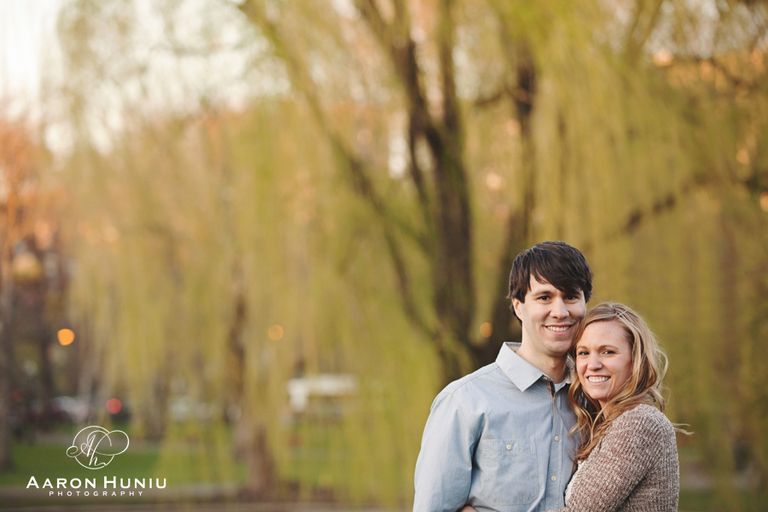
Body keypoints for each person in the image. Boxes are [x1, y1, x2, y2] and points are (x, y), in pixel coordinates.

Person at [413, 241, 593, 512]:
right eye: (544, 297)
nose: (560, 312)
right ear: (518, 306)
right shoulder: (464, 402)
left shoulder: (596, 403)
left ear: (584, 304)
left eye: (570, 296)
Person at [463, 302, 680, 512]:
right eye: (583, 353)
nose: (593, 365)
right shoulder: (605, 424)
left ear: (635, 360)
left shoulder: (639, 423)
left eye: (608, 352)